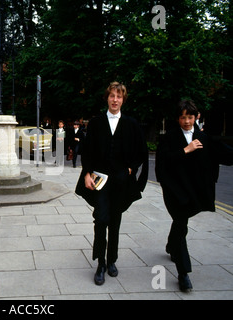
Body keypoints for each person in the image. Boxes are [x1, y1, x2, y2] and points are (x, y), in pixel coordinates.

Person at [75, 82, 148, 286]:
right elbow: (87, 151)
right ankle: (100, 263)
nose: (115, 100)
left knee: (115, 221)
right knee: (100, 219)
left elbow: (141, 152)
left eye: (119, 97)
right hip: (100, 181)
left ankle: (112, 260)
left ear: (123, 100)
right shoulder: (97, 123)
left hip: (121, 183)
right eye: (112, 96)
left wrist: (131, 169)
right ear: (107, 98)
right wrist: (86, 174)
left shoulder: (131, 124)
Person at [155, 100, 233, 292]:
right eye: (183, 117)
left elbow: (225, 155)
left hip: (193, 194)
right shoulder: (169, 139)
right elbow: (162, 165)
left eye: (190, 117)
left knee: (180, 225)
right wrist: (185, 150)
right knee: (181, 225)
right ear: (178, 118)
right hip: (174, 192)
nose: (187, 121)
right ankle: (183, 273)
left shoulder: (204, 138)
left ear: (196, 117)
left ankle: (171, 245)